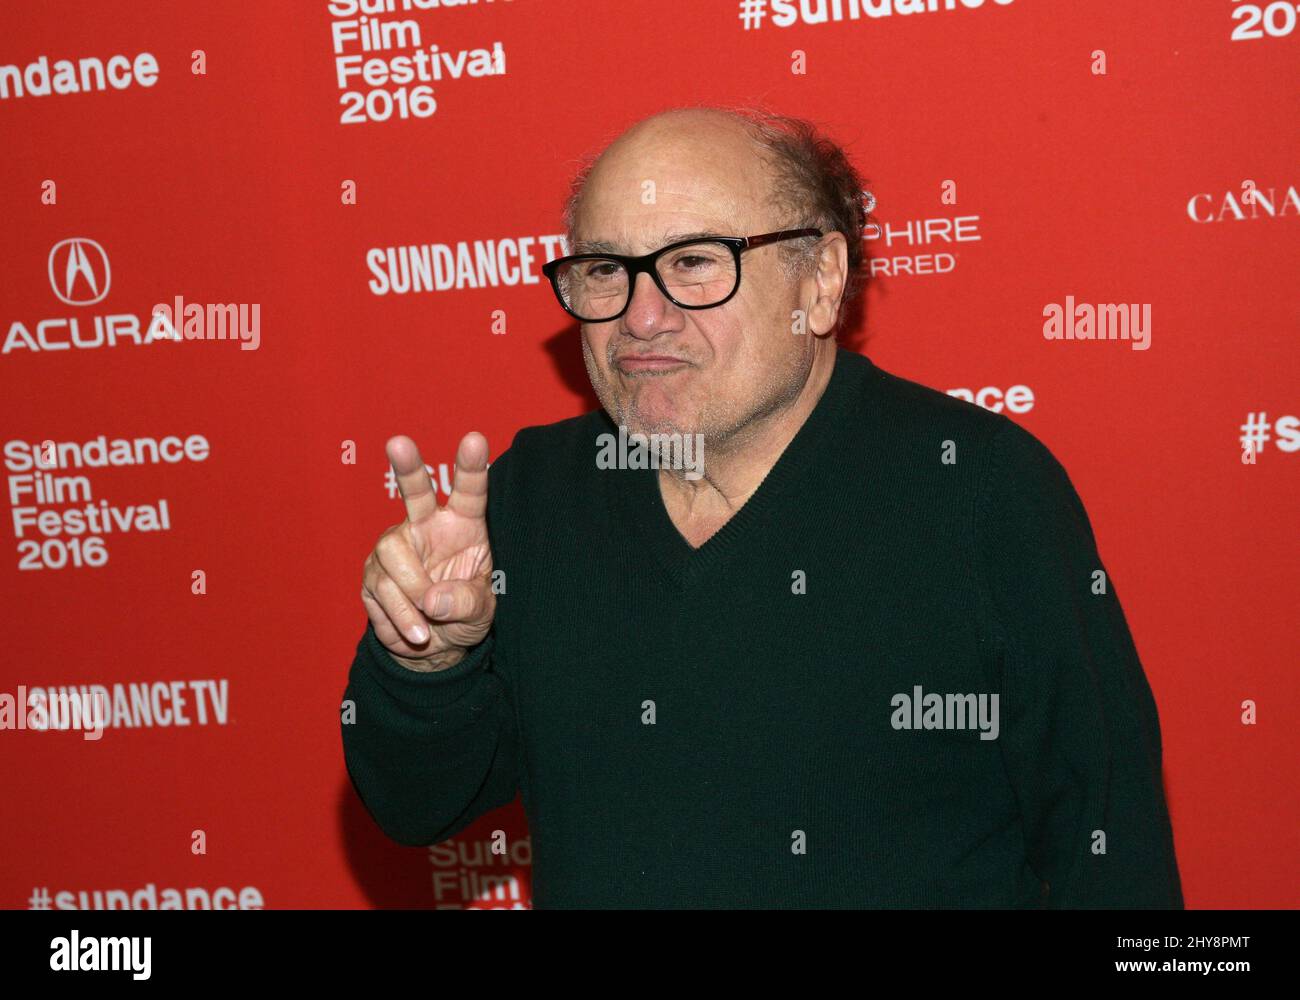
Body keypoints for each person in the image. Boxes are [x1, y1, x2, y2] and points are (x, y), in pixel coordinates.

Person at [342, 105, 1183, 909]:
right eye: (606, 270)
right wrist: (427, 665)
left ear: (819, 282)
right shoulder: (532, 497)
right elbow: (417, 808)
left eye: (695, 261)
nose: (641, 316)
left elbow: (1108, 848)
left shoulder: (979, 490)